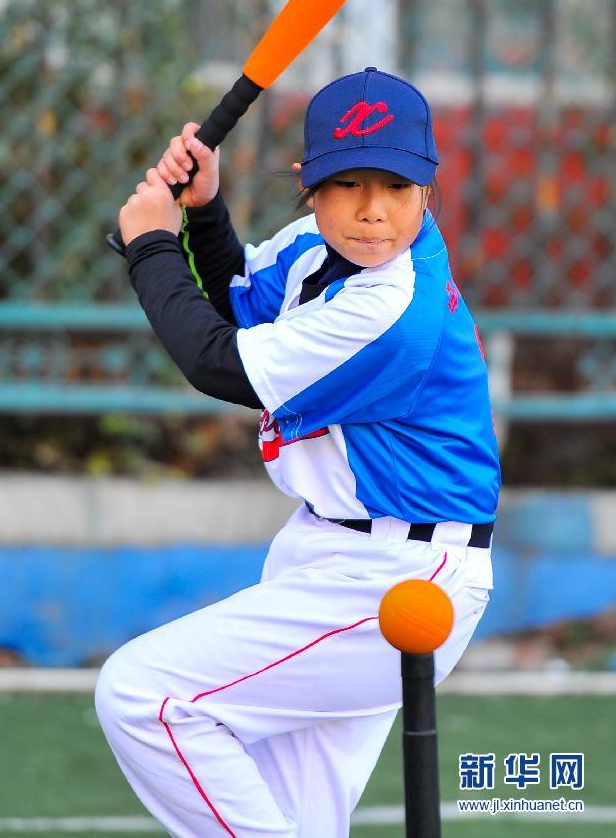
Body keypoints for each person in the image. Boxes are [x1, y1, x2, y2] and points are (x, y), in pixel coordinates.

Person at [95, 67, 500, 838]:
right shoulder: (318, 245)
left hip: (401, 582)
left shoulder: (394, 304)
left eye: (397, 185)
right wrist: (203, 212)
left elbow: (219, 363)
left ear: (428, 189)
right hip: (326, 550)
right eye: (347, 184)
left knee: (143, 697)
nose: (373, 210)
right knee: (300, 817)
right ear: (308, 187)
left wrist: (151, 243)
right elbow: (236, 301)